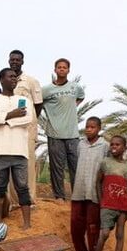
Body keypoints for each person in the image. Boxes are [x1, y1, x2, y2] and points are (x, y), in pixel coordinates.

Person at [0, 68, 35, 231]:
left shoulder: (24, 99)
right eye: (10, 76)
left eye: (15, 77)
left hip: (19, 150)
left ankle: (27, 224)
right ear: (1, 79)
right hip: (0, 150)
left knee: (22, 187)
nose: (14, 79)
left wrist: (4, 121)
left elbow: (28, 119)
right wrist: (11, 115)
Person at [41, 58, 85, 200]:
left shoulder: (75, 87)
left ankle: (77, 197)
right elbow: (37, 103)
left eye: (64, 67)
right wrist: (50, 111)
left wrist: (72, 107)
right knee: (57, 168)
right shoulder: (47, 90)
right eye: (59, 67)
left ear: (68, 70)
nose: (61, 69)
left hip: (72, 134)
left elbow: (80, 97)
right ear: (55, 70)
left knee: (76, 167)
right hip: (55, 134)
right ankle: (59, 197)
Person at [69, 116, 107, 251]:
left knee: (92, 227)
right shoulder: (81, 144)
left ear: (99, 129)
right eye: (87, 127)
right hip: (78, 191)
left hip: (94, 194)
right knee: (75, 226)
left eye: (93, 127)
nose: (89, 130)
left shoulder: (104, 146)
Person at [8, 50, 44, 199]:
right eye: (12, 60)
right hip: (11, 129)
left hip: (27, 129)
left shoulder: (31, 81)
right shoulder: (6, 81)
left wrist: (29, 119)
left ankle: (30, 198)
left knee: (28, 161)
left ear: (22, 62)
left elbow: (38, 105)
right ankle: (14, 200)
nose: (15, 62)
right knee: (10, 161)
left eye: (17, 60)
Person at [95, 135, 127, 251]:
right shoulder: (105, 162)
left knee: (120, 234)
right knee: (105, 233)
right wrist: (101, 200)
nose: (114, 147)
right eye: (112, 144)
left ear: (124, 147)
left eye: (117, 145)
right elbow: (98, 182)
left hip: (122, 205)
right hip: (107, 204)